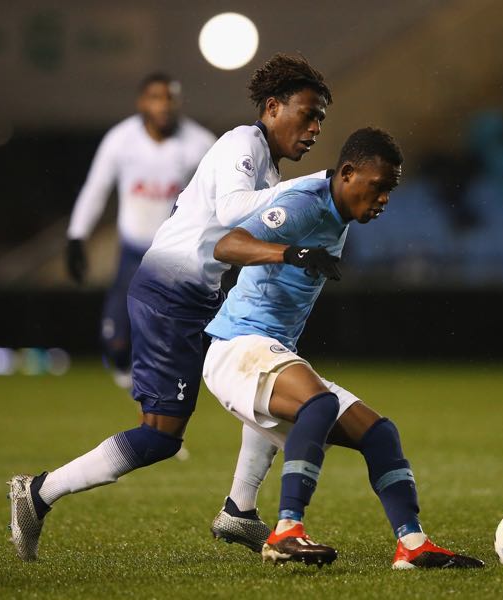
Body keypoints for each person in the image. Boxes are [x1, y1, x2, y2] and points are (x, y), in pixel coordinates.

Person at [8, 54, 334, 561]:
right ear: (272, 107)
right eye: (307, 114)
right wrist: (315, 182)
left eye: (321, 120)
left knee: (263, 385)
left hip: (199, 297)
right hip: (168, 297)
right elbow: (229, 212)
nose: (314, 128)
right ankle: (38, 492)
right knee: (160, 437)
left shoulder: (263, 162)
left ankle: (240, 511)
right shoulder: (242, 144)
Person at [203, 127, 485, 569]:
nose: (384, 199)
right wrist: (291, 253)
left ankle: (412, 545)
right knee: (317, 405)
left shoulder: (340, 215)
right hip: (237, 348)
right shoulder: (306, 205)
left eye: (390, 190)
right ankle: (286, 532)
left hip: (269, 352)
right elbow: (227, 244)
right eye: (379, 187)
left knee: (380, 435)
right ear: (348, 173)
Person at [65, 72, 215, 388]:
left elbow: (221, 198)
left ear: (179, 102)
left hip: (175, 257)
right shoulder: (121, 140)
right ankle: (144, 396)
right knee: (116, 343)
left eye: (169, 98)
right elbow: (96, 188)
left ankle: (158, 414)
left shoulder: (200, 143)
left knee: (167, 343)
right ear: (141, 102)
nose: (163, 106)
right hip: (132, 253)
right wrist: (77, 236)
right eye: (156, 98)